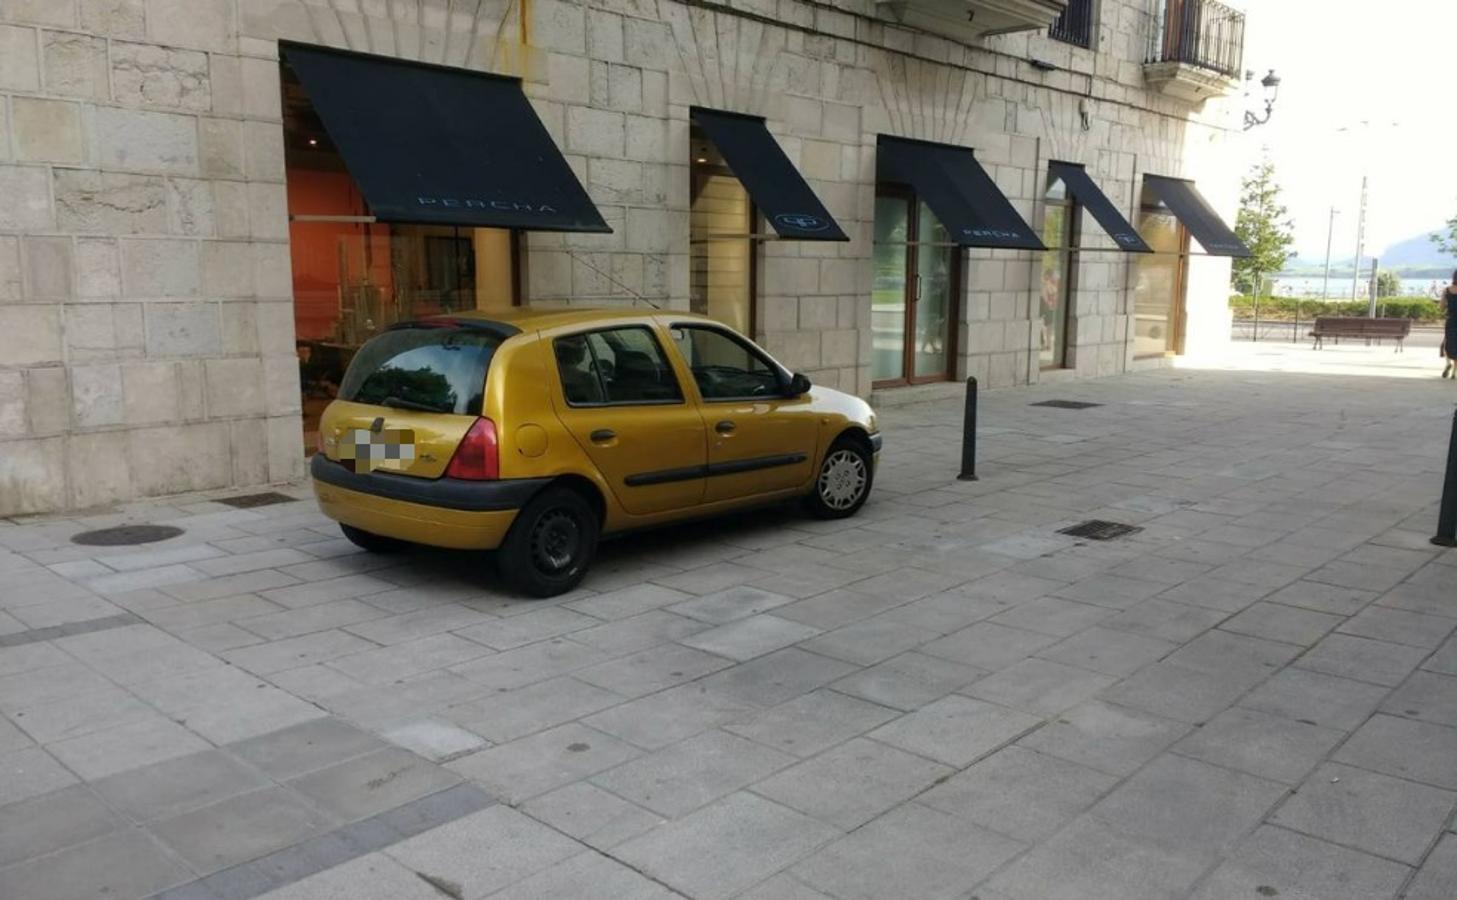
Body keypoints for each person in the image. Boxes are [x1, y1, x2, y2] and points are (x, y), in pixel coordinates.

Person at [1443, 272, 1457, 379]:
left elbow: (1442, 305)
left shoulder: (1447, 290)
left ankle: (1448, 363)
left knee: (1447, 342)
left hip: (1450, 320)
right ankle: (1454, 373)